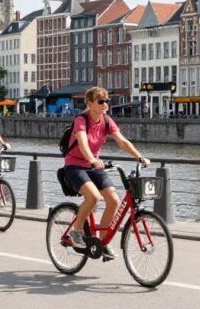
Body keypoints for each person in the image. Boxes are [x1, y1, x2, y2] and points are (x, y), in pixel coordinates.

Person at [62, 86, 150, 260]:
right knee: (94, 197)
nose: (105, 104)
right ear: (90, 104)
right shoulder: (81, 120)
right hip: (75, 166)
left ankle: (103, 244)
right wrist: (92, 159)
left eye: (107, 101)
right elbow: (82, 142)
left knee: (114, 200)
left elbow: (122, 141)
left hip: (95, 167)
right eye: (100, 101)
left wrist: (140, 157)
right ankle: (76, 231)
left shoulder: (107, 121)